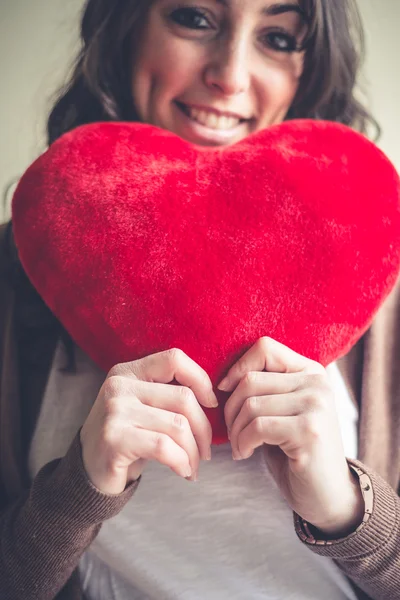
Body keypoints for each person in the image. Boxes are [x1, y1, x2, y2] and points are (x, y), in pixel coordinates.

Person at [1, 1, 399, 599]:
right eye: (195, 18)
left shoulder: (376, 258)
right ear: (125, 29)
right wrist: (76, 493)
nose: (231, 75)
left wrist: (347, 509)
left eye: (278, 37)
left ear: (311, 66)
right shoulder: (21, 268)